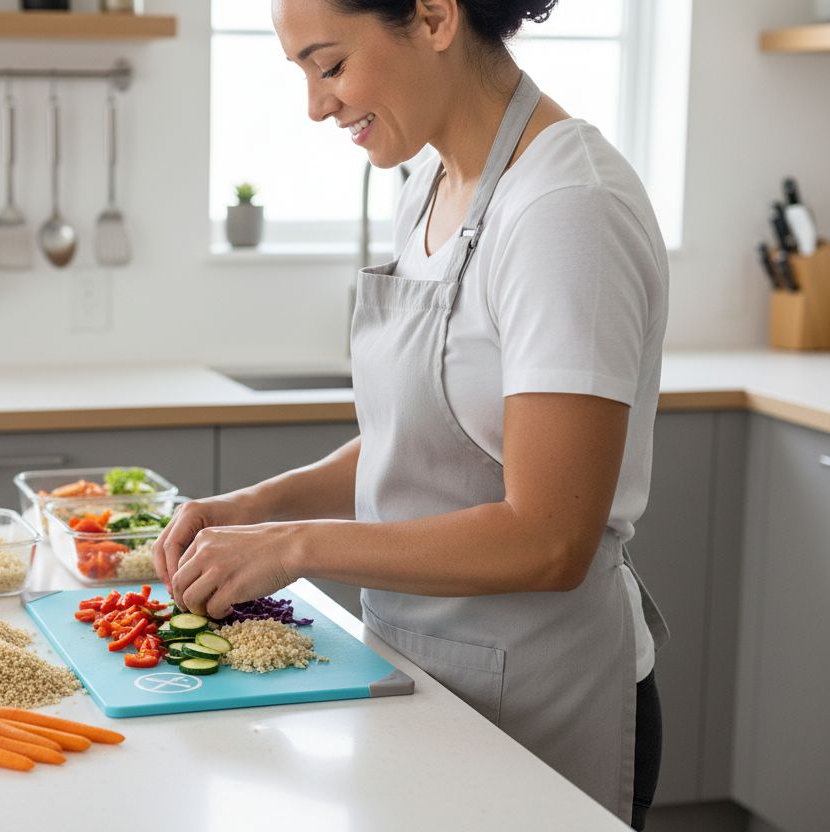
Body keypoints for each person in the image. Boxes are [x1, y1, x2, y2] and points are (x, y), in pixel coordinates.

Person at [152, 1, 670, 827]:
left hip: (541, 702)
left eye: (329, 67)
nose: (317, 105)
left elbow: (551, 538)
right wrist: (255, 507)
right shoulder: (431, 179)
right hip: (422, 676)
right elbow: (429, 439)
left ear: (433, 17)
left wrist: (294, 546)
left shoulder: (568, 211)